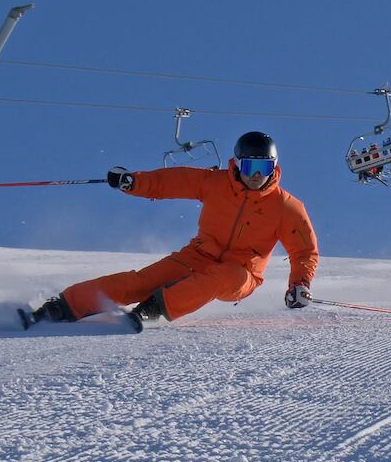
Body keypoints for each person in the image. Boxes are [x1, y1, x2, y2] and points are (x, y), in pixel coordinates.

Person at [25, 131, 319, 329]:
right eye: (250, 166)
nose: (256, 176)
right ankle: (61, 307)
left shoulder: (287, 207)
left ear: (274, 168)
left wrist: (299, 284)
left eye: (264, 168)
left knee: (221, 276)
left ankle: (154, 308)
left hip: (241, 274)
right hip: (198, 254)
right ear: (237, 164)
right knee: (140, 280)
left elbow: (304, 251)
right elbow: (173, 181)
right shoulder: (215, 183)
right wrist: (134, 182)